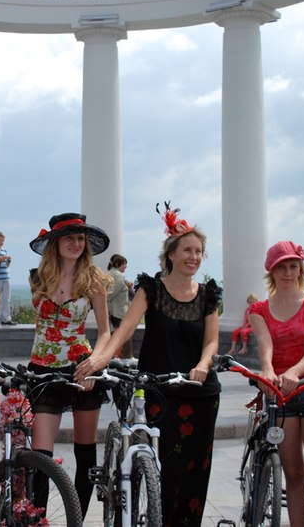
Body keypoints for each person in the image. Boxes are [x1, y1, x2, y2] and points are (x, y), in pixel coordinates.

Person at [76, 203, 221, 526]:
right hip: (159, 386)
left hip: (200, 388)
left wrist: (203, 363)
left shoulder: (208, 294)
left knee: (196, 470)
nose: (194, 257)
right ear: (171, 254)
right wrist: (101, 358)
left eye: (199, 251)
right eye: (187, 250)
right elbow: (125, 329)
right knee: (164, 467)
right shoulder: (151, 289)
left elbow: (212, 341)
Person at [27, 212, 112, 518]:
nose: (76, 244)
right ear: (55, 243)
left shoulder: (94, 281)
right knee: (40, 456)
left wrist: (94, 365)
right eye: (69, 238)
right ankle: (37, 520)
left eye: (80, 239)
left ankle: (77, 519)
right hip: (42, 368)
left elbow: (105, 332)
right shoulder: (37, 278)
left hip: (81, 367)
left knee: (85, 452)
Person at [248, 240, 304, 527]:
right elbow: (265, 344)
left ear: (301, 269)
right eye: (281, 267)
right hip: (280, 391)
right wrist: (267, 369)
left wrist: (295, 372)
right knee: (293, 475)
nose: (288, 273)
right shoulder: (259, 308)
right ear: (271, 271)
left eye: (293, 266)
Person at [107, 253, 134, 359]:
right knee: (126, 333)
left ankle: (114, 355)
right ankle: (126, 356)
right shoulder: (119, 275)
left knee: (115, 333)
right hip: (119, 311)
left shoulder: (109, 273)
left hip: (112, 310)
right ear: (117, 264)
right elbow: (112, 293)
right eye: (124, 264)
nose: (126, 266)